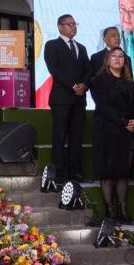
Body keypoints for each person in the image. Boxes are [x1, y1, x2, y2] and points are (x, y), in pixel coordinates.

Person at [90, 47, 134, 225]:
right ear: (107, 59)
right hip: (107, 131)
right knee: (108, 172)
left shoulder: (130, 82)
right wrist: (124, 122)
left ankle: (123, 211)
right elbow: (103, 106)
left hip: (127, 132)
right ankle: (110, 213)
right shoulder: (99, 80)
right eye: (114, 56)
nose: (118, 59)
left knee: (123, 173)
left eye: (121, 56)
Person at [43, 14, 91, 184]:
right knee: (60, 136)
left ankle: (74, 171)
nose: (73, 27)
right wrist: (73, 85)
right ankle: (59, 173)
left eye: (74, 24)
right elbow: (54, 69)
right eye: (69, 24)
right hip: (61, 98)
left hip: (79, 99)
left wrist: (84, 85)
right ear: (60, 27)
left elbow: (88, 70)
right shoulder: (52, 45)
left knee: (77, 137)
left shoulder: (82, 48)